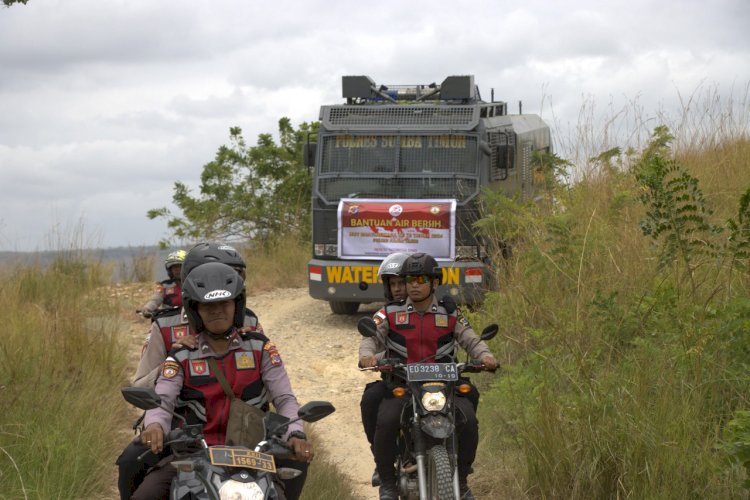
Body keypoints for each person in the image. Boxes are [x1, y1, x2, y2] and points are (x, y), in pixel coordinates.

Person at [132, 262, 313, 500]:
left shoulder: (261, 348)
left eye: (224, 303)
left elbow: (285, 398)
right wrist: (155, 426)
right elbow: (163, 400)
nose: (217, 310)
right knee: (145, 495)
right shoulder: (180, 356)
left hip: (254, 457)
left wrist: (296, 434)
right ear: (195, 310)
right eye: (208, 305)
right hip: (193, 454)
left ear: (237, 305)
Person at [117, 242, 268, 500]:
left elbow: (268, 375)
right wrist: (172, 363)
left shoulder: (248, 321)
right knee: (131, 461)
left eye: (234, 277)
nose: (226, 284)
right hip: (180, 432)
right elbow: (140, 385)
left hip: (241, 434)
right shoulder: (165, 325)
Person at [359, 252, 498, 500]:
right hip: (403, 386)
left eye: (421, 279)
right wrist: (368, 356)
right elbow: (370, 339)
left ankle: (462, 481)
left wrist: (486, 357)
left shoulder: (451, 313)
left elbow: (471, 340)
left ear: (435, 282)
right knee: (388, 418)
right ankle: (388, 483)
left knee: (468, 419)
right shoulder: (390, 313)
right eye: (410, 279)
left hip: (445, 388)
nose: (413, 285)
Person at [359, 252, 409, 487]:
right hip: (397, 381)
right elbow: (369, 338)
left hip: (433, 382)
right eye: (393, 284)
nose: (398, 289)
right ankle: (382, 461)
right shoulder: (384, 313)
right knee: (370, 399)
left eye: (402, 282)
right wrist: (369, 357)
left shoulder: (434, 310)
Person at [139, 250, 186, 318]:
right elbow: (155, 300)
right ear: (170, 270)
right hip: (169, 320)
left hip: (191, 321)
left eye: (179, 266)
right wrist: (147, 308)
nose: (177, 270)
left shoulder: (194, 284)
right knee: (154, 327)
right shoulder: (164, 286)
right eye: (174, 267)